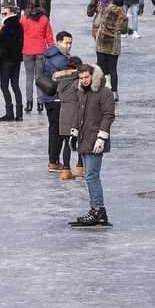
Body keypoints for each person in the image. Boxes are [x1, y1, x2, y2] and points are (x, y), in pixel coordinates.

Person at [58, 64, 116, 226]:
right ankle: (95, 208)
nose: (84, 81)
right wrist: (74, 132)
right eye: (81, 78)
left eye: (86, 77)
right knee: (89, 176)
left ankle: (99, 210)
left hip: (95, 139)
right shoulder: (82, 92)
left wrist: (102, 137)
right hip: (83, 139)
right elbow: (78, 113)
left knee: (91, 175)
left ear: (93, 76)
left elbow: (108, 115)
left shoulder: (104, 92)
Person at [41, 31, 81, 176]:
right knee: (59, 132)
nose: (69, 46)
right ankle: (54, 161)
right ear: (58, 42)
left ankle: (53, 160)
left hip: (47, 97)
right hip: (57, 99)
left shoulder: (48, 54)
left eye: (70, 42)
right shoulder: (62, 60)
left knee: (54, 130)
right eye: (66, 42)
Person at [21, 0, 53, 114]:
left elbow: (20, 35)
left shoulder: (24, 19)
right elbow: (49, 37)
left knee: (29, 78)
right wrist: (53, 50)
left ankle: (29, 103)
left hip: (28, 50)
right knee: (39, 78)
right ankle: (40, 103)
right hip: (41, 50)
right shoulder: (44, 19)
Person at [92, 0, 130, 93]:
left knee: (100, 67)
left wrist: (96, 34)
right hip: (113, 44)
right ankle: (114, 92)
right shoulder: (123, 16)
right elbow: (124, 30)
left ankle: (97, 88)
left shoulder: (105, 10)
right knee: (113, 70)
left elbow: (97, 22)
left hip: (101, 42)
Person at [0, 4, 24, 121]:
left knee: (4, 86)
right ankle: (19, 113)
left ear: (12, 13)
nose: (3, 16)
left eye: (5, 13)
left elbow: (2, 43)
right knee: (15, 86)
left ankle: (10, 113)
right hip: (17, 59)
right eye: (2, 13)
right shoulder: (19, 25)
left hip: (7, 60)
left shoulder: (6, 26)